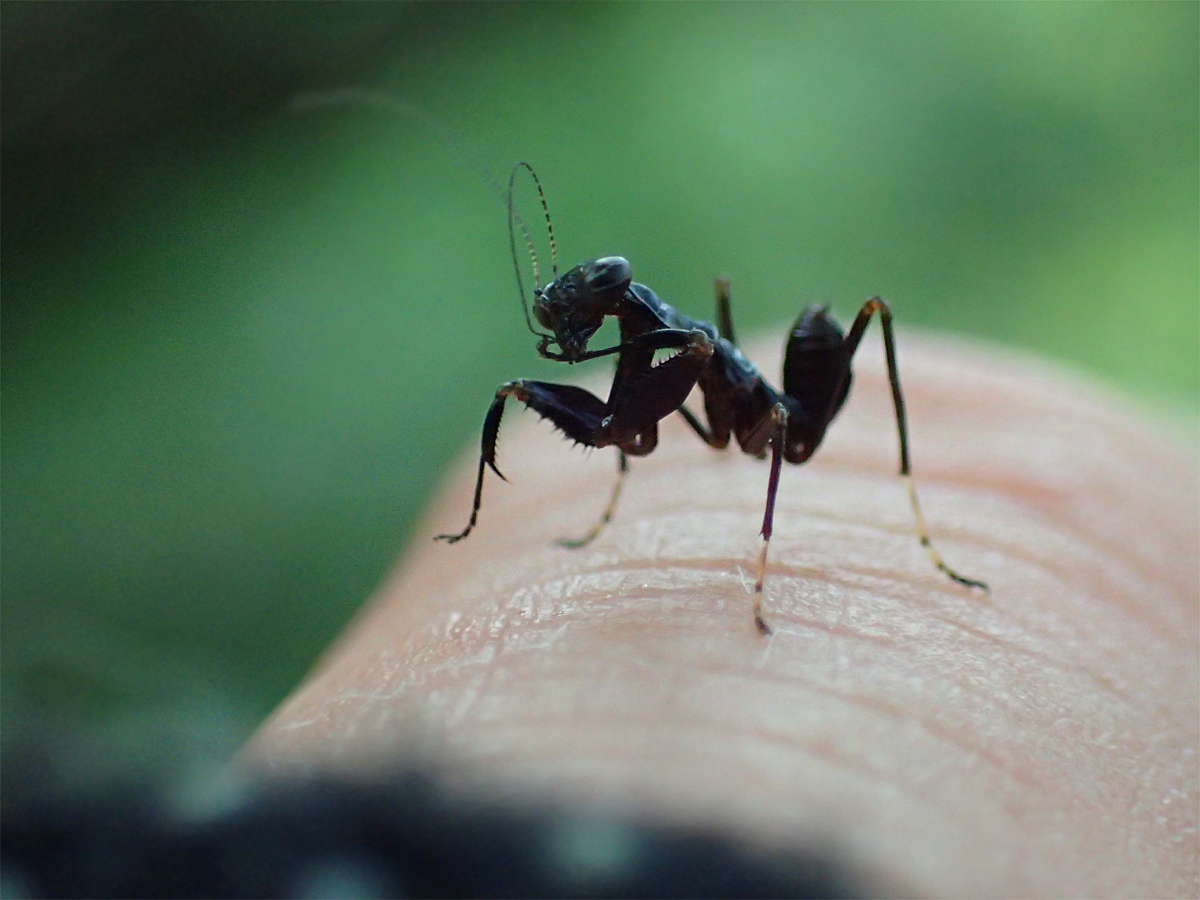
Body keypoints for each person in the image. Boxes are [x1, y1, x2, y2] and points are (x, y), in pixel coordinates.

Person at [246, 333, 1198, 897]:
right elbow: (636, 415)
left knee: (793, 331)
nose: (574, 330)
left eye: (587, 312)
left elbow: (713, 421)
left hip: (801, 418)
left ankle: (868, 533)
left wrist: (766, 573)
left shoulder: (704, 355)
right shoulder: (677, 353)